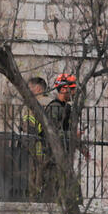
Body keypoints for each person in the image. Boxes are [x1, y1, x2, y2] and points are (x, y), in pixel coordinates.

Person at [40, 73, 78, 201]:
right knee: (53, 187)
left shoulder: (66, 108)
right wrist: (71, 135)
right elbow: (52, 132)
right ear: (63, 89)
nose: (74, 92)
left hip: (63, 154)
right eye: (72, 88)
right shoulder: (54, 108)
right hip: (53, 155)